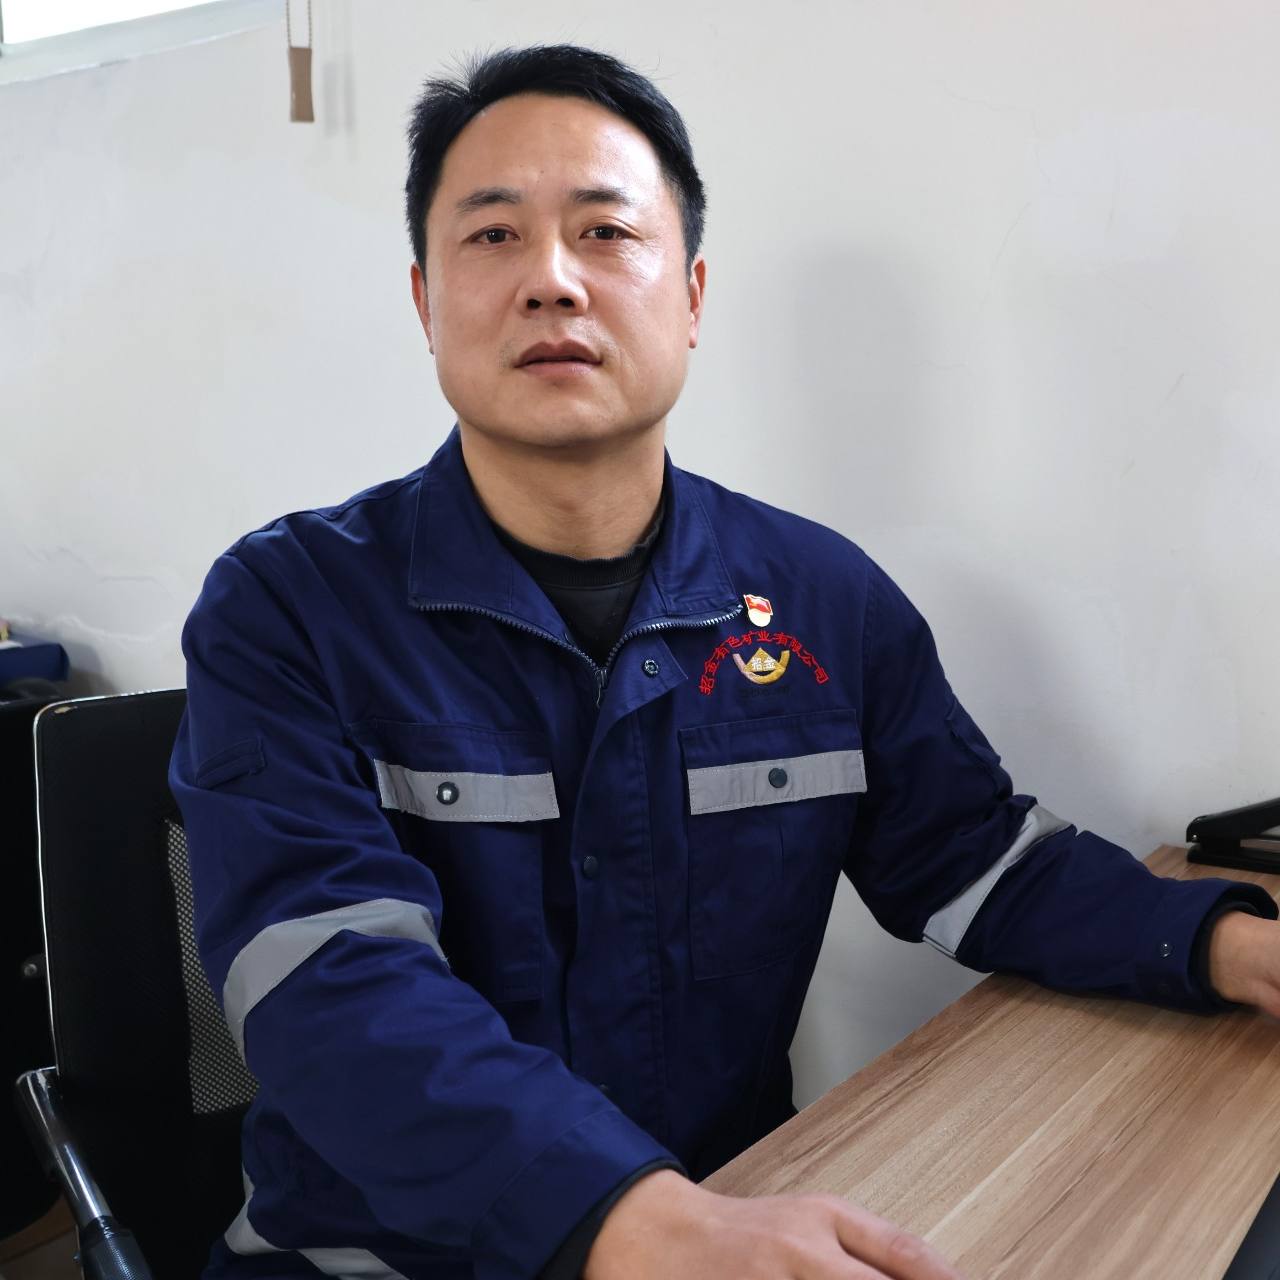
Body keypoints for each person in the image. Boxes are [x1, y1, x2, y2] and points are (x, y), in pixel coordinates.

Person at [169, 42, 1280, 1280]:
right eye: (492, 236)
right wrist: (625, 1215)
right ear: (426, 303)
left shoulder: (820, 599)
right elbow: (332, 988)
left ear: (690, 297)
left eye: (604, 232)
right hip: (380, 1259)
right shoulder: (288, 606)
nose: (551, 280)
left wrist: (1226, 942)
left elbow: (974, 857)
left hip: (726, 1216)